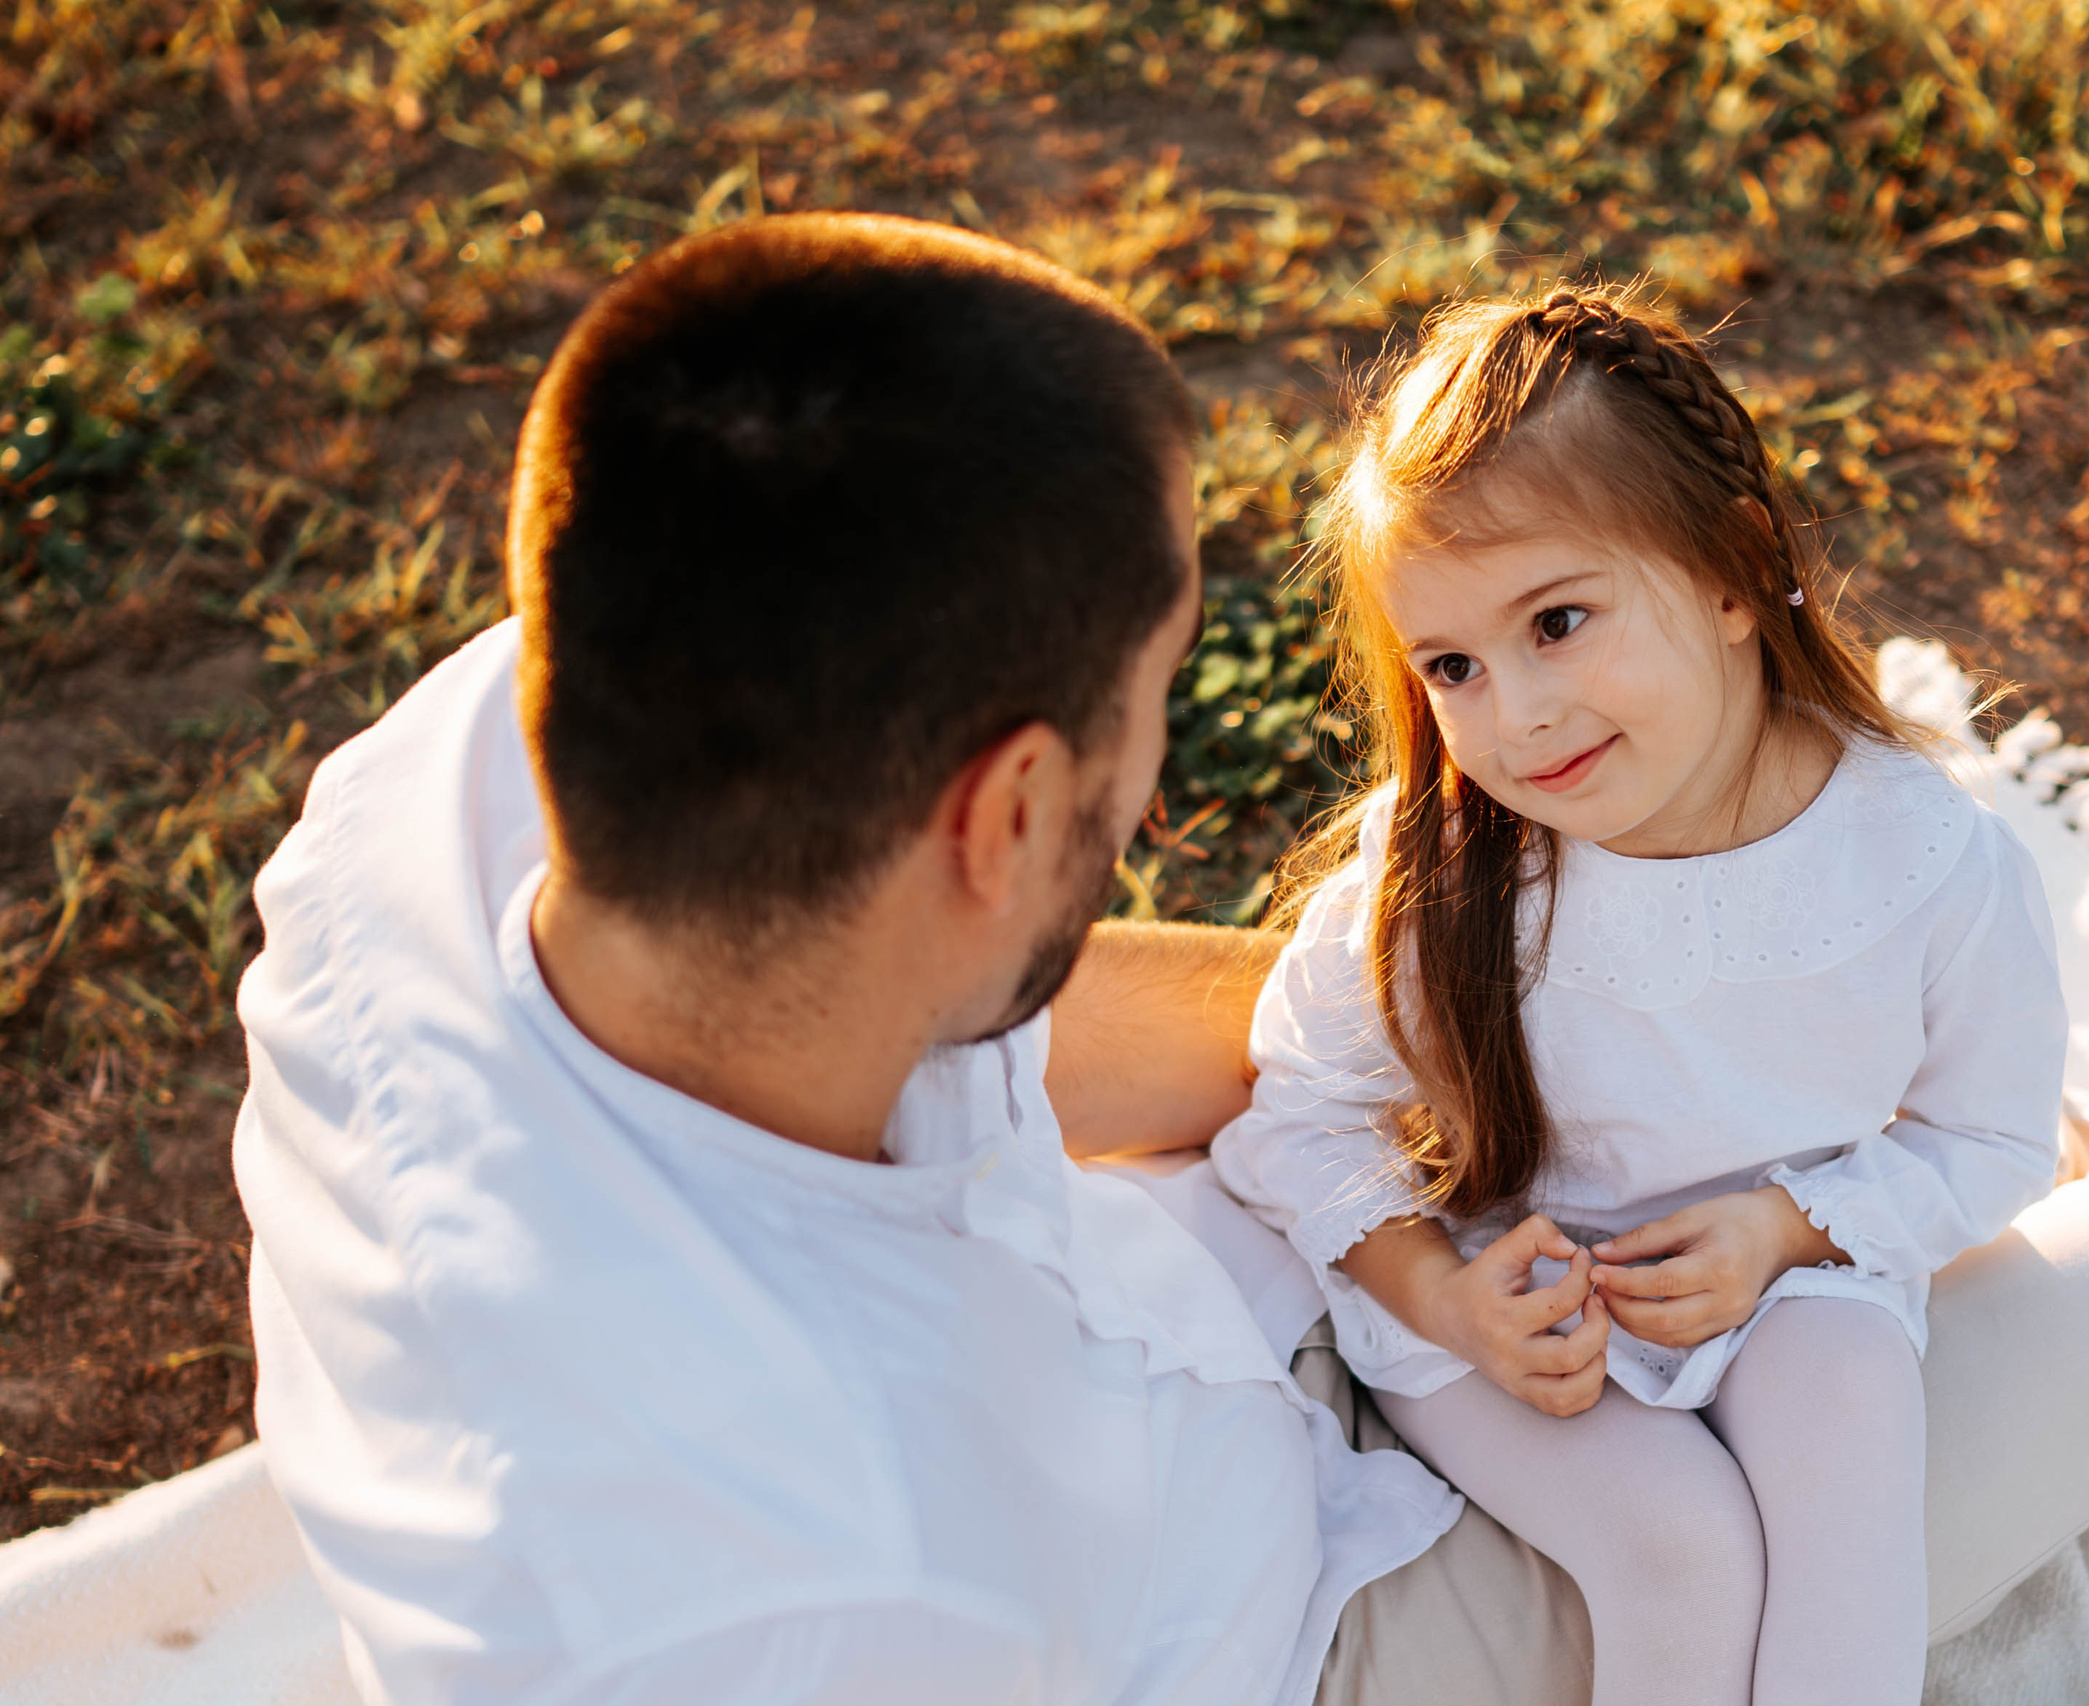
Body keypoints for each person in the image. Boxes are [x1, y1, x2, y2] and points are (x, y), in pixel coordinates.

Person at [233, 212, 1588, 1706]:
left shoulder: (463, 783)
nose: (1149, 783)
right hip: (1306, 1633)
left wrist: (1491, 1021)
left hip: (1222, 1302)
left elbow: (1025, 1026)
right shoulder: (821, 1597)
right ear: (1004, 811)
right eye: (1157, 693)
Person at [1209, 286, 2067, 1706]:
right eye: (1454, 667)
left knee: (1851, 1420)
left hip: (1780, 1263)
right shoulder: (1451, 869)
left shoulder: (1917, 858)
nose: (1515, 715)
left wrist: (1787, 1226)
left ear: (1732, 572)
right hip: (1505, 1293)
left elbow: (1991, 1139)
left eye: (1558, 620)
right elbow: (1299, 1112)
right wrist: (1448, 1295)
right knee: (1685, 1548)